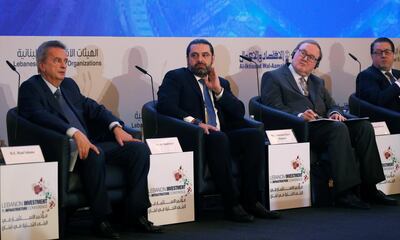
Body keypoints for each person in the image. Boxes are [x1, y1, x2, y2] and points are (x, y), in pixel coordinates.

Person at [18, 40, 162, 239]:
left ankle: (135, 215)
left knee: (139, 150)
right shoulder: (31, 88)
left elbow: (93, 107)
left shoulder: (68, 85)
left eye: (65, 61)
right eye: (56, 61)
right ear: (41, 65)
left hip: (90, 142)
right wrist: (74, 133)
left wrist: (116, 127)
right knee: (95, 153)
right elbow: (39, 116)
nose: (63, 65)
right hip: (62, 149)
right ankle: (101, 220)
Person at [261, 39, 397, 209]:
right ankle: (344, 193)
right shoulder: (273, 77)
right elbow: (272, 106)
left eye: (311, 57)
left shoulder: (317, 82)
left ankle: (370, 188)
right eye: (302, 53)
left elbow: (332, 105)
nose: (305, 58)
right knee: (337, 129)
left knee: (364, 127)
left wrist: (334, 113)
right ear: (293, 53)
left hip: (323, 126)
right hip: (297, 129)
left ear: (315, 64)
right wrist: (299, 115)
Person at [157, 39, 280, 222]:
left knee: (254, 136)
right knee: (218, 138)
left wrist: (218, 90)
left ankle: (251, 201)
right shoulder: (176, 77)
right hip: (195, 137)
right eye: (194, 55)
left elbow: (239, 112)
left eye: (205, 55)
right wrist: (196, 122)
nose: (200, 59)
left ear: (212, 59)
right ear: (187, 59)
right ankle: (231, 204)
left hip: (222, 135)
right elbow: (165, 105)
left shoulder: (220, 82)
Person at [356, 37, 400, 112]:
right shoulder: (366, 76)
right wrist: (398, 84)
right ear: (372, 56)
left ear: (393, 55)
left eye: (387, 52)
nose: (383, 55)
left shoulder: (398, 74)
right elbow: (378, 101)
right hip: (387, 120)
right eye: (378, 52)